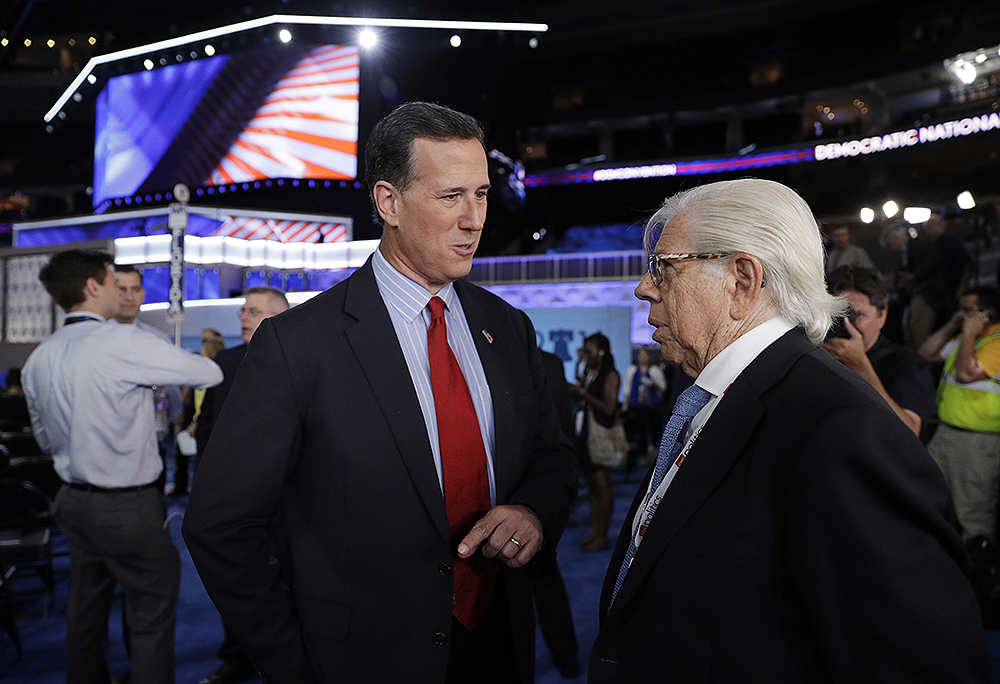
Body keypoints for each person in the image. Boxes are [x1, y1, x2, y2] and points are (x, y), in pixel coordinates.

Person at [182, 101, 577, 684]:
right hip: (359, 661)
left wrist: (532, 512)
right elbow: (219, 526)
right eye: (451, 197)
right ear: (388, 202)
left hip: (498, 643)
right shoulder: (297, 346)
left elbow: (552, 454)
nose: (474, 219)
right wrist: (296, 664)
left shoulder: (508, 327)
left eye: (483, 195)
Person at [589, 179, 988, 683]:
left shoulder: (841, 429)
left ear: (741, 280)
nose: (644, 287)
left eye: (663, 268)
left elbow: (920, 664)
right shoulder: (720, 396)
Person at [21, 250, 222, 684]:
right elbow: (208, 373)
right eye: (115, 281)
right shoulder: (123, 342)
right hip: (126, 507)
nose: (122, 291)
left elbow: (42, 437)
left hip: (71, 502)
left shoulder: (40, 356)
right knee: (151, 612)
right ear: (93, 287)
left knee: (85, 610)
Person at [190, 287, 288, 684]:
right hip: (236, 498)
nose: (243, 317)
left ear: (280, 316)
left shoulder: (305, 355)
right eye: (242, 310)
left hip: (289, 497)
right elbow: (208, 427)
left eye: (253, 310)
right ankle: (237, 656)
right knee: (238, 578)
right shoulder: (225, 363)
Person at [918, 286, 1000, 543]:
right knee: (928, 498)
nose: (962, 314)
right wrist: (953, 324)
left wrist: (968, 334)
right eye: (960, 309)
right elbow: (927, 352)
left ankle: (980, 572)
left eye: (968, 310)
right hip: (947, 433)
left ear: (989, 313)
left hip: (978, 442)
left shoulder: (995, 343)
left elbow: (966, 373)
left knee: (972, 513)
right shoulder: (968, 338)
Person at [822, 266, 936, 437]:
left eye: (857, 315)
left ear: (882, 316)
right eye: (837, 315)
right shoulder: (813, 354)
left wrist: (860, 367)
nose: (846, 325)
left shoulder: (906, 364)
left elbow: (911, 432)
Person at [114, 264, 185, 493]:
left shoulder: (158, 340)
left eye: (135, 289)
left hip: (153, 445)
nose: (129, 296)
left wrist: (174, 411)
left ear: (143, 294)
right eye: (121, 289)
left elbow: (171, 385)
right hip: (108, 449)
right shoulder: (92, 340)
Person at [569, 333, 621, 551]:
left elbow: (609, 408)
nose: (586, 355)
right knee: (592, 486)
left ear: (600, 352)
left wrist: (581, 392)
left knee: (602, 485)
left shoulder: (611, 374)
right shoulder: (592, 371)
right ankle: (595, 532)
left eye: (589, 351)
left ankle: (602, 535)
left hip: (600, 437)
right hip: (587, 435)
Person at [621, 348, 666, 462]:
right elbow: (628, 386)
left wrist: (652, 384)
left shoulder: (654, 370)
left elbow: (663, 386)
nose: (643, 358)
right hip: (636, 405)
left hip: (651, 406)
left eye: (645, 355)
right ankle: (640, 452)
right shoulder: (632, 369)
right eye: (641, 355)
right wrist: (625, 403)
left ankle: (652, 450)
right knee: (638, 430)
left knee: (653, 428)